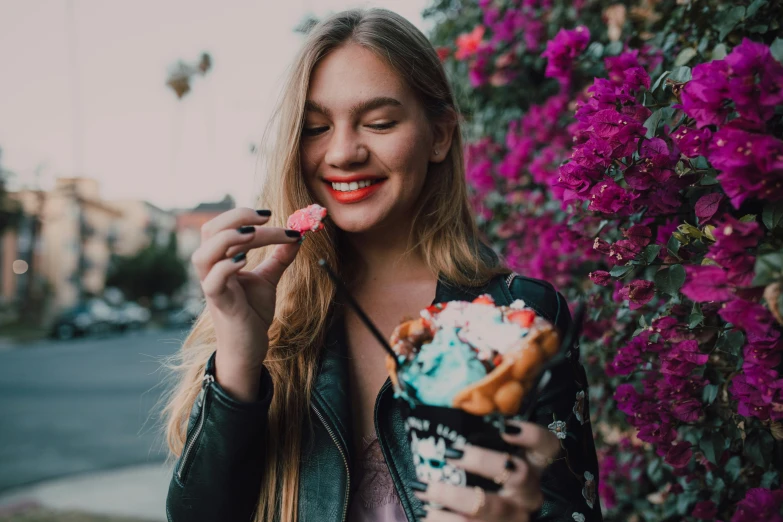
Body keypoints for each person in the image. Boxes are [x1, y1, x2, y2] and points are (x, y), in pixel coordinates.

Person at [163, 7, 602, 522]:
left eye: (379, 122)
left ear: (439, 135)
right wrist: (239, 355)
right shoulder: (265, 308)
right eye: (315, 128)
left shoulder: (520, 315)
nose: (343, 152)